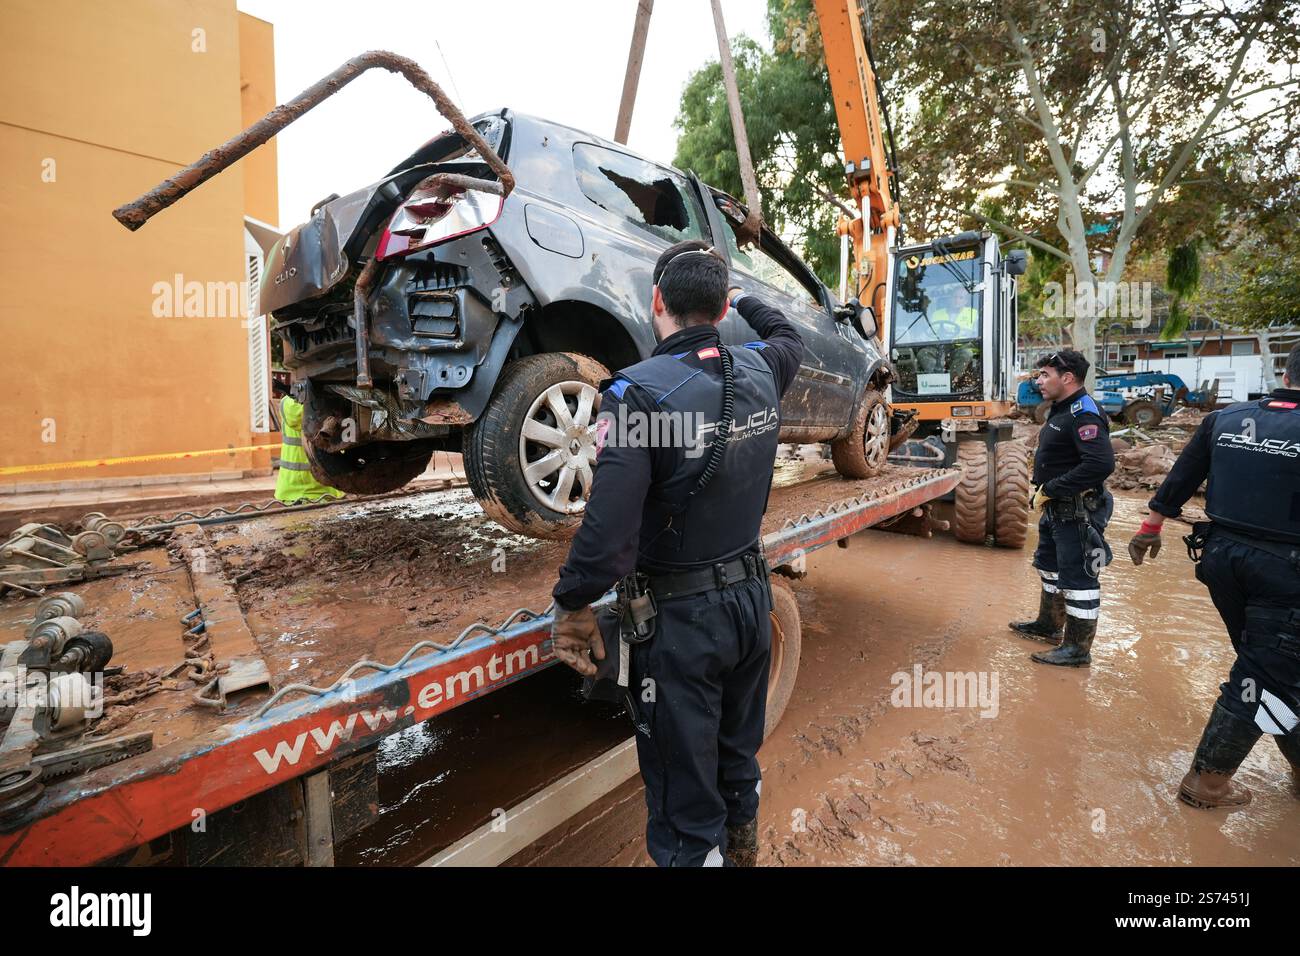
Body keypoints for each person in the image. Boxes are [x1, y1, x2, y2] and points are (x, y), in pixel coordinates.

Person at [548, 239, 803, 867]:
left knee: (685, 808)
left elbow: (608, 535)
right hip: (752, 601)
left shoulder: (636, 393)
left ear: (656, 301)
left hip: (684, 625)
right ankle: (742, 852)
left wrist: (571, 603)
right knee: (737, 759)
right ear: (720, 308)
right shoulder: (766, 368)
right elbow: (786, 332)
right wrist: (741, 294)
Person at [1128, 343, 1300, 809]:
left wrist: (1149, 530)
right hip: (1285, 572)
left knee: (1267, 665)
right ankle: (1207, 782)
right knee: (1264, 672)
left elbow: (1181, 476)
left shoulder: (1226, 419)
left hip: (1223, 559)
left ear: (1285, 374)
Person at [1009, 348, 1115, 666]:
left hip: (1077, 509)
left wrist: (1052, 488)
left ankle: (1077, 650)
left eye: (1045, 375)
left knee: (1079, 579)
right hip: (1057, 507)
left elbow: (1100, 464)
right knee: (1049, 566)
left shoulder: (1084, 412)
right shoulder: (1062, 407)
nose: (1039, 381)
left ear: (1067, 378)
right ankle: (1049, 626)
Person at [273, 378, 344, 505]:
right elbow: (304, 413)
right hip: (303, 493)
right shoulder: (291, 404)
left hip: (316, 489)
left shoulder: (290, 403)